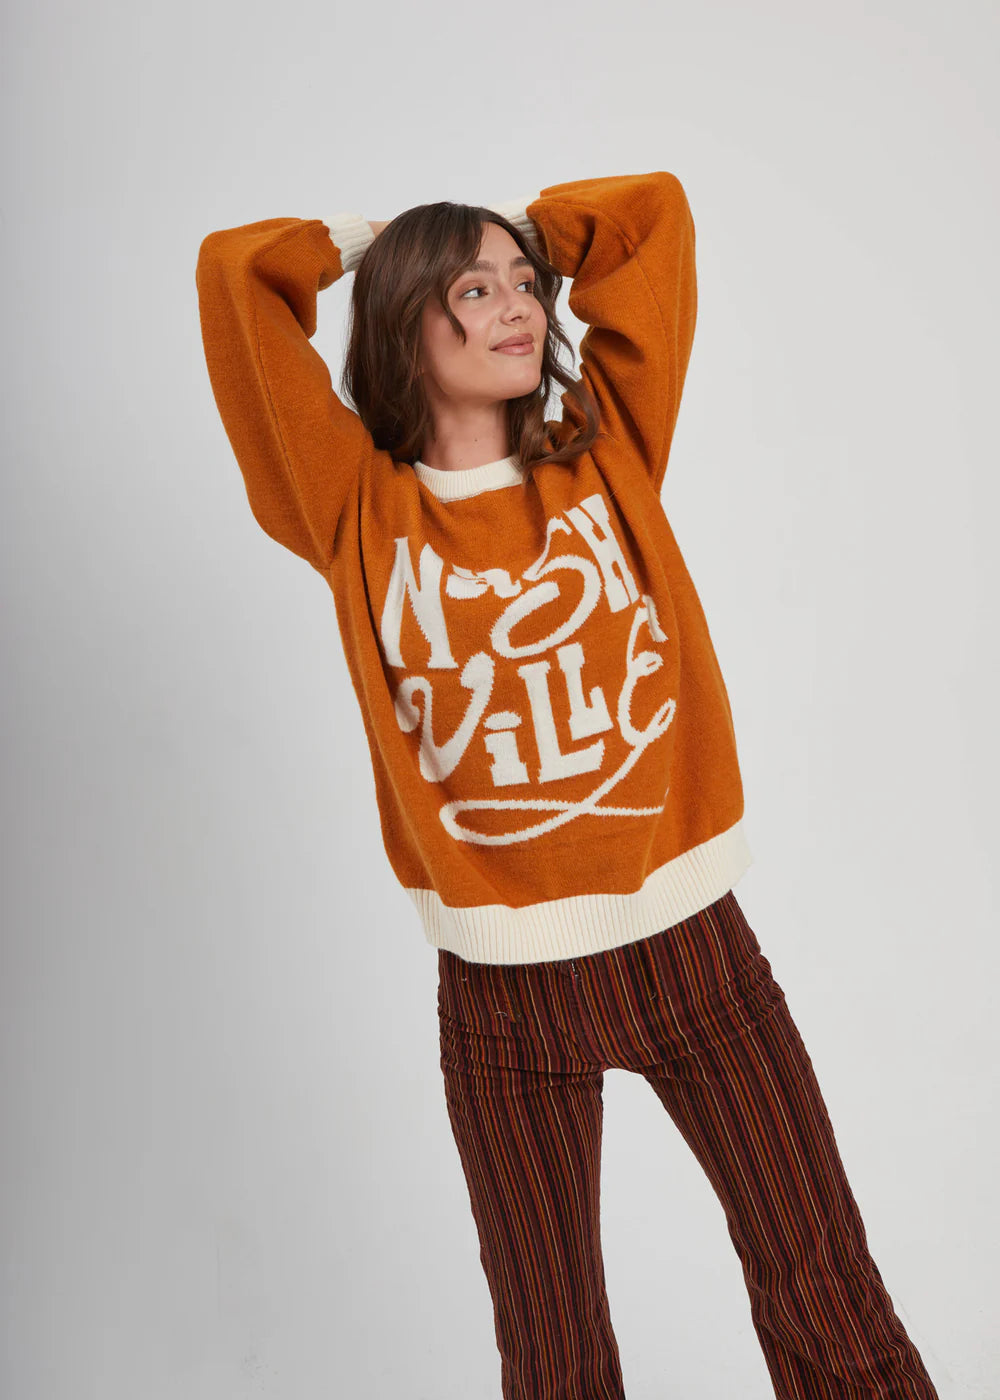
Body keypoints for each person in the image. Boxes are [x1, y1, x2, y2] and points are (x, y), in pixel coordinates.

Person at [195, 171, 940, 1400]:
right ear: (402, 323)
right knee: (554, 1357)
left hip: (692, 950)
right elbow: (236, 275)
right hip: (502, 996)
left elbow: (652, 217)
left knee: (825, 1291)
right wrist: (375, 242)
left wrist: (523, 233)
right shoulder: (352, 506)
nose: (517, 305)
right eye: (471, 290)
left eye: (524, 284)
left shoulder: (606, 450)